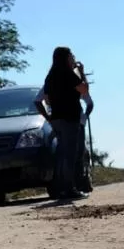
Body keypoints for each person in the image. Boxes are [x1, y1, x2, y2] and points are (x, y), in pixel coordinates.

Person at [40, 47, 88, 200]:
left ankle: (60, 188)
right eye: (72, 56)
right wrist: (81, 72)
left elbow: (46, 99)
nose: (74, 59)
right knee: (70, 155)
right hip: (69, 118)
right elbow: (84, 90)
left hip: (56, 119)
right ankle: (68, 188)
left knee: (61, 155)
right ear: (66, 58)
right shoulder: (68, 74)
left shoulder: (50, 76)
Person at [35, 81, 93, 194]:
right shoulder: (51, 83)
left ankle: (76, 185)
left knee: (76, 153)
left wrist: (85, 116)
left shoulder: (74, 82)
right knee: (66, 154)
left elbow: (89, 101)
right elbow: (37, 101)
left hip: (73, 122)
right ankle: (68, 187)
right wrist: (48, 118)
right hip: (62, 123)